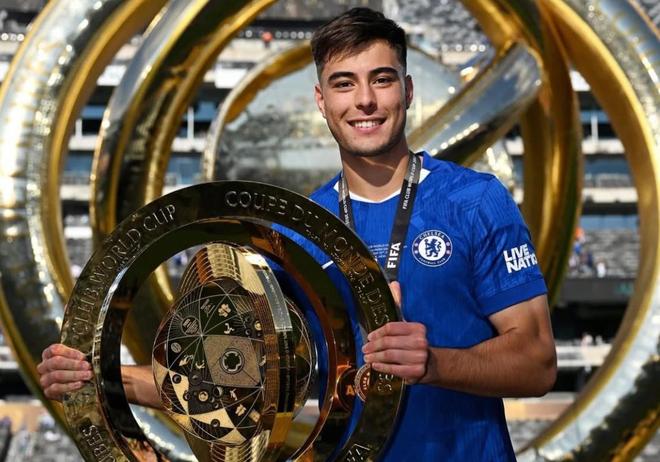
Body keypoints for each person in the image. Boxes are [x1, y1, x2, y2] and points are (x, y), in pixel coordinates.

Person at [38, 7, 556, 461]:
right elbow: (231, 375)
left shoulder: (475, 200)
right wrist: (97, 377)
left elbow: (537, 364)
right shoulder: (300, 230)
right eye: (344, 84)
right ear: (321, 100)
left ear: (408, 90)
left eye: (382, 79)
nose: (365, 101)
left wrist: (434, 364)